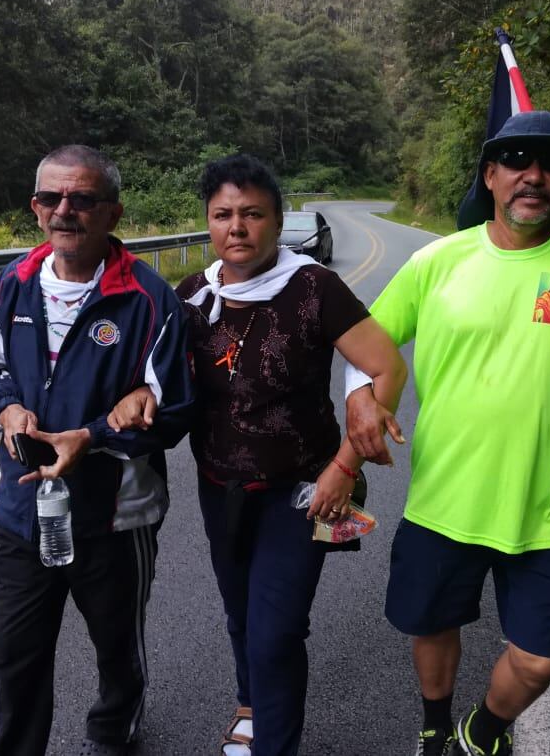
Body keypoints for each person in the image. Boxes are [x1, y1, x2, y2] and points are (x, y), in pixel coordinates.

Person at [344, 110, 550, 756]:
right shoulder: (438, 261)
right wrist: (359, 396)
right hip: (444, 500)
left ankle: (484, 730)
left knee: (536, 661)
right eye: (517, 160)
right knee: (432, 626)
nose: (533, 175)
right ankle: (434, 727)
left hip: (547, 508)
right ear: (490, 176)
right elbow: (365, 346)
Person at [108, 153, 407, 756]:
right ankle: (250, 703)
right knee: (240, 610)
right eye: (223, 215)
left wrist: (345, 464)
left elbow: (387, 366)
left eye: (252, 214)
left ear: (276, 220)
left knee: (277, 629)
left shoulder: (314, 288)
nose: (237, 227)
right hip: (219, 485)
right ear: (208, 222)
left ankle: (272, 741)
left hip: (304, 490)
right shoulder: (193, 295)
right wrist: (141, 392)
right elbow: (157, 376)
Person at [0, 145, 194, 756]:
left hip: (115, 517)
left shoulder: (148, 299)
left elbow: (174, 406)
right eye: (51, 198)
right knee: (13, 655)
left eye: (83, 199)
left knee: (117, 644)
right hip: (21, 510)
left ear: (113, 213)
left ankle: (114, 732)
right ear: (35, 208)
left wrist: (94, 436)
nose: (65, 210)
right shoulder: (11, 286)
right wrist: (7, 408)